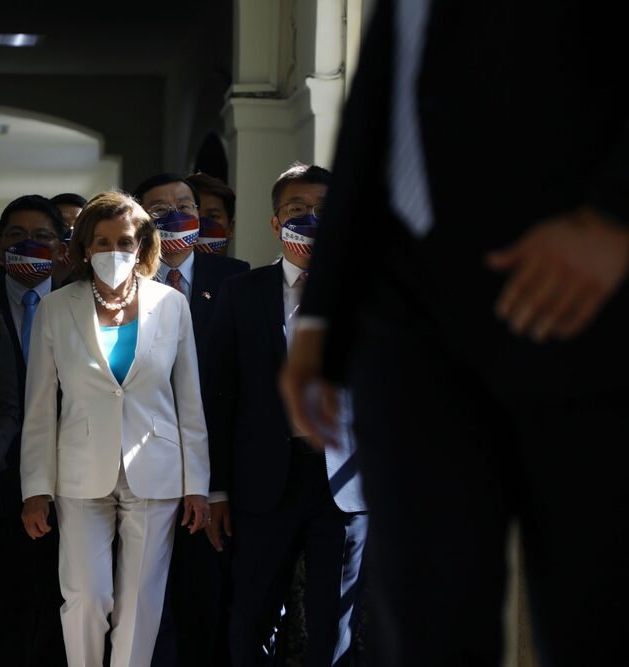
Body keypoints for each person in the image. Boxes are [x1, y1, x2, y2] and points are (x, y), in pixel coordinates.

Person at [281, 2, 629, 665]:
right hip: (407, 323)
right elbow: (379, 101)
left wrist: (615, 215)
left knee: (597, 616)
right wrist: (324, 312)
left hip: (577, 299)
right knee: (422, 622)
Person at [20, 191, 211, 667]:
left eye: (124, 241)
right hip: (80, 473)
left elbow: (189, 400)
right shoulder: (56, 308)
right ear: (84, 247)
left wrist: (198, 485)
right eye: (100, 241)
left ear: (143, 244)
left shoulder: (171, 304)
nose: (112, 251)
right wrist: (35, 488)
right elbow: (40, 407)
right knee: (87, 596)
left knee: (142, 603)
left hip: (157, 471)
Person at [205, 164, 367, 666]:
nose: (310, 219)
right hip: (263, 481)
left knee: (333, 624)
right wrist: (217, 489)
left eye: (323, 210)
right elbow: (220, 392)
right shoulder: (243, 293)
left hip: (345, 481)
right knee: (251, 615)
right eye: (297, 210)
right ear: (276, 223)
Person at [134, 172, 248, 666]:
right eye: (160, 209)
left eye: (185, 204)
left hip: (213, 467)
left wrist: (219, 481)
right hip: (141, 465)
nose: (177, 213)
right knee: (145, 602)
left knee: (204, 599)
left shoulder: (236, 278)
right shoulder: (120, 285)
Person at [0, 195, 69, 666]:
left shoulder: (84, 296)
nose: (28, 245)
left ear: (61, 248)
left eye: (41, 236)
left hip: (68, 478)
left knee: (58, 606)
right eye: (16, 236)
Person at [186, 172, 236, 256]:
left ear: (231, 229)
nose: (201, 226)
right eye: (192, 216)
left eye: (212, 217)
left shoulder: (243, 268)